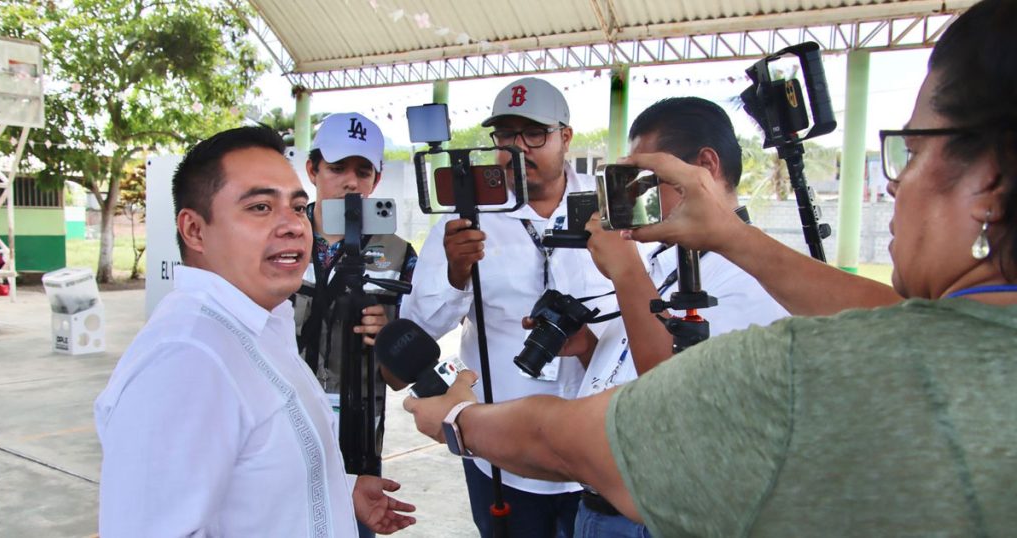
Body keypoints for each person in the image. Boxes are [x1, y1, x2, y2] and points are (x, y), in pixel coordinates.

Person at [404, 0, 1017, 535]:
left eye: (910, 151)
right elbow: (906, 323)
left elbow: (596, 437)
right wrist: (728, 235)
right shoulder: (933, 340)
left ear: (988, 181)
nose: (898, 180)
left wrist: (455, 419)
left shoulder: (798, 365)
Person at [95, 126, 416, 537]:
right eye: (261, 207)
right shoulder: (186, 360)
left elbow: (258, 468)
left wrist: (340, 487)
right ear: (195, 230)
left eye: (298, 208)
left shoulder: (262, 322)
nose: (293, 226)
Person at [401, 76, 614, 538]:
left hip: (599, 446)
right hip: (500, 448)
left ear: (565, 137)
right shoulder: (464, 217)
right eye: (505, 135)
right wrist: (456, 274)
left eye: (533, 134)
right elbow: (420, 324)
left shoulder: (607, 209)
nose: (517, 148)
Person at [566, 97, 789, 537]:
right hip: (600, 504)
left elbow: (675, 393)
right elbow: (629, 361)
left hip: (657, 517)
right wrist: (586, 347)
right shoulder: (667, 259)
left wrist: (625, 268)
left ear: (706, 165)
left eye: (646, 180)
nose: (634, 197)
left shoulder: (757, 278)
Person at [291, 112, 417, 538]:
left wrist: (389, 338)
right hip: (280, 424)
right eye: (337, 168)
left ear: (377, 179)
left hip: (358, 440)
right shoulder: (279, 237)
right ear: (312, 169)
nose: (351, 182)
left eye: (363, 171)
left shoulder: (399, 254)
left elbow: (398, 379)